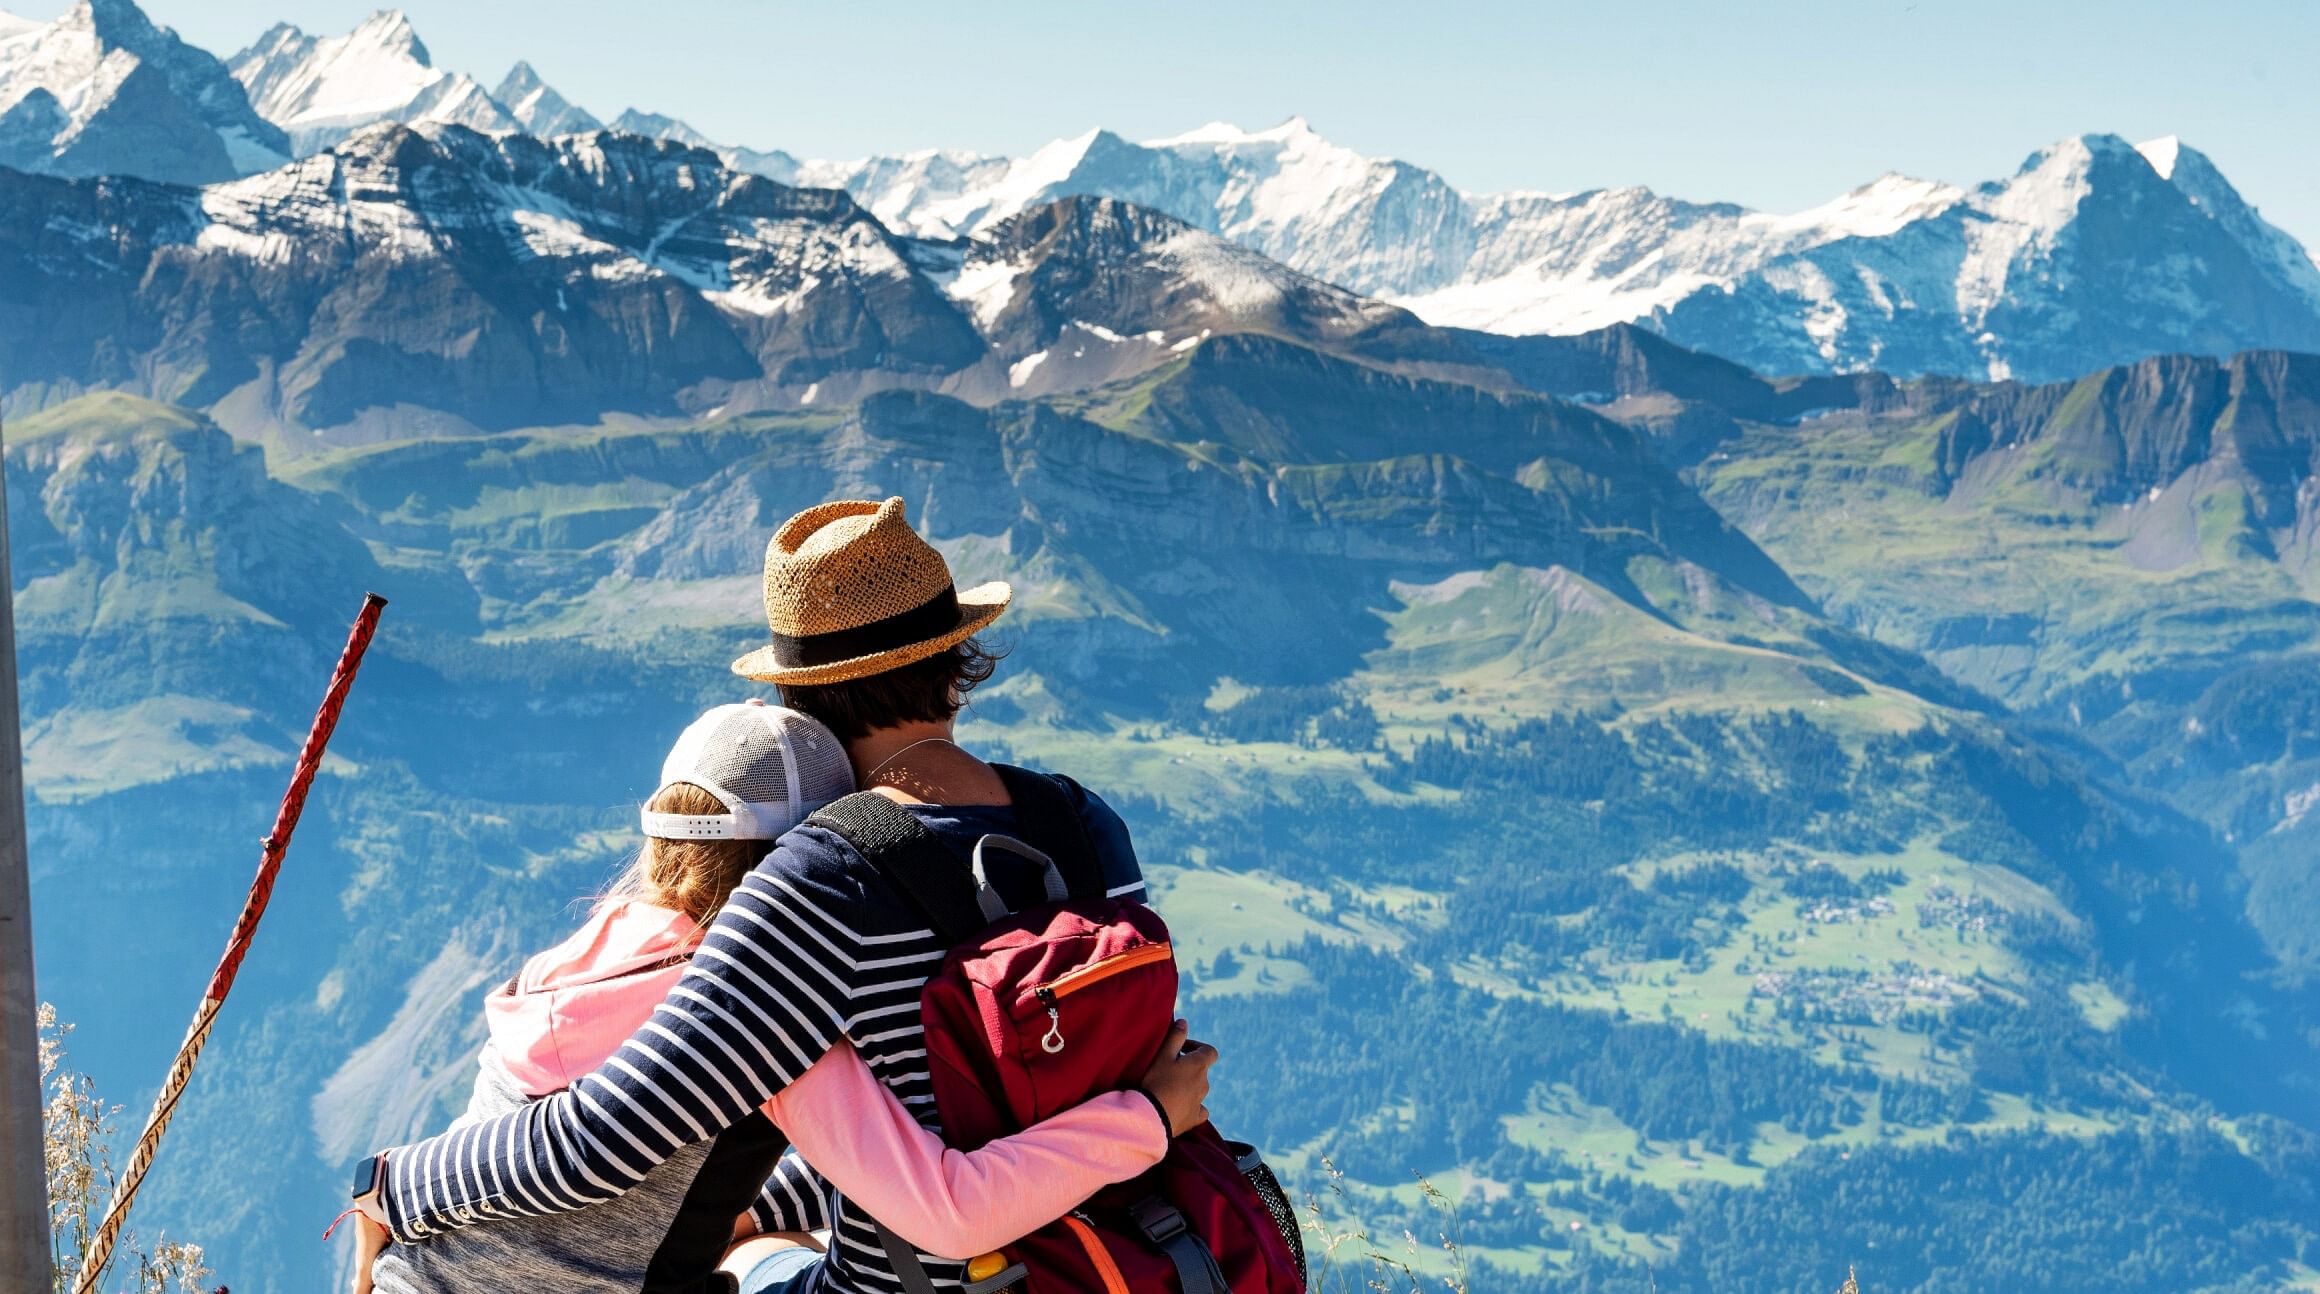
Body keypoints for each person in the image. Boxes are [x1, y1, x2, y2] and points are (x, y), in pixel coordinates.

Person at [349, 497, 1209, 1294]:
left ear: (796, 697)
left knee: (752, 1265)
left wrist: (394, 1185)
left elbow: (607, 1139)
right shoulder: (1086, 824)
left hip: (929, 1276)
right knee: (758, 1245)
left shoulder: (818, 882)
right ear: (956, 660)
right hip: (1140, 1250)